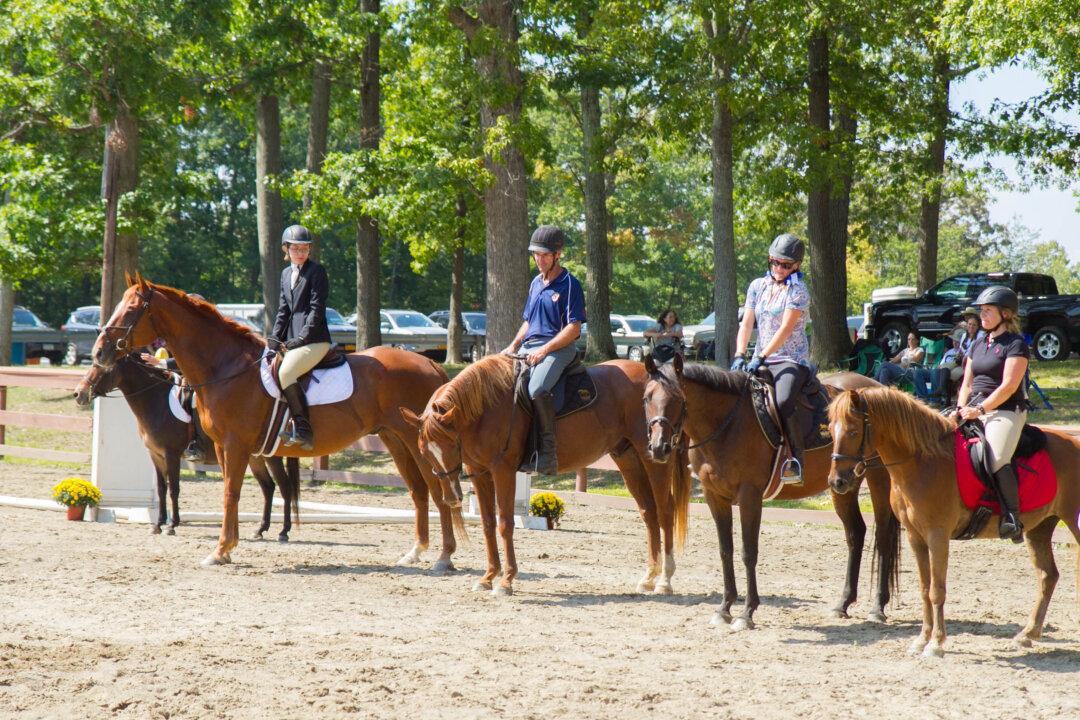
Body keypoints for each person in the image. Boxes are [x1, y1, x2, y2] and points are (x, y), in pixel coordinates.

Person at [503, 225, 586, 475]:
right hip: (529, 347)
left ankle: (548, 454)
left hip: (559, 348)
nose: (539, 260)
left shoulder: (570, 284)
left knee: (537, 388)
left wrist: (545, 350)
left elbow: (573, 329)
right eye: (536, 255)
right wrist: (513, 345)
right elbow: (529, 321)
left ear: (557, 254)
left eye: (545, 255)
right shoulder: (535, 283)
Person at [730, 233, 812, 485]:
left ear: (796, 265)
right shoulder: (757, 286)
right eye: (775, 262)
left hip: (790, 359)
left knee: (784, 400)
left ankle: (794, 460)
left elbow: (786, 328)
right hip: (758, 357)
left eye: (786, 265)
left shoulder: (798, 290)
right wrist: (740, 354)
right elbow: (746, 324)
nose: (779, 268)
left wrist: (763, 355)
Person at [955, 286, 1030, 541]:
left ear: (1006, 314)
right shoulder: (977, 344)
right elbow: (966, 383)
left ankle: (1012, 516)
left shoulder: (1016, 344)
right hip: (972, 408)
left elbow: (1009, 386)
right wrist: (960, 409)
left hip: (1005, 411)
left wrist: (980, 409)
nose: (981, 315)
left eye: (988, 311)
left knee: (997, 457)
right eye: (981, 311)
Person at [269, 225, 332, 451]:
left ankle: (304, 430)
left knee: (286, 372)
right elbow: (283, 311)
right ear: (286, 249)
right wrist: (274, 338)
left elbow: (316, 310)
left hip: (315, 340)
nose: (300, 252)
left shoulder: (317, 272)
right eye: (295, 248)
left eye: (304, 248)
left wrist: (302, 339)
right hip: (293, 342)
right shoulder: (286, 274)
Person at [140, 293, 210, 463]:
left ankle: (195, 443)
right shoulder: (182, 329)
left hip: (205, 377)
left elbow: (189, 358)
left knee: (190, 399)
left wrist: (161, 362)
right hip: (184, 374)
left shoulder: (204, 331)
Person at [912, 308, 982, 405]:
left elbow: (974, 351)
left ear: (978, 326)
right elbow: (961, 349)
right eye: (969, 324)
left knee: (948, 370)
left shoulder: (980, 335)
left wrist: (962, 356)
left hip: (969, 362)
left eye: (974, 324)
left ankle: (942, 393)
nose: (971, 326)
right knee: (943, 367)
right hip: (959, 360)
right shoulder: (964, 335)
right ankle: (940, 391)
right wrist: (959, 355)